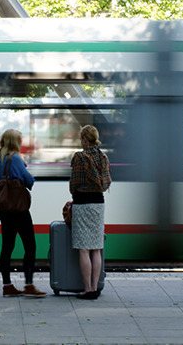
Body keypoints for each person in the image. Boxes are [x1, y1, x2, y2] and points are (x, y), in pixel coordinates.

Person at [0, 129, 46, 298]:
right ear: (15, 142)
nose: (22, 143)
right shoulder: (16, 158)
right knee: (30, 245)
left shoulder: (0, 160)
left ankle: (7, 285)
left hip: (5, 210)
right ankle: (29, 285)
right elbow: (29, 181)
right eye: (20, 140)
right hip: (19, 210)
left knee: (7, 247)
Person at [69, 125, 112, 300]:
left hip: (82, 203)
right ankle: (95, 288)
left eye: (81, 139)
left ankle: (87, 289)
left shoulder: (79, 157)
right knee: (96, 248)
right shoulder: (103, 157)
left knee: (84, 249)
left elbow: (74, 183)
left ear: (85, 140)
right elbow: (107, 183)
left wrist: (76, 194)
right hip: (98, 204)